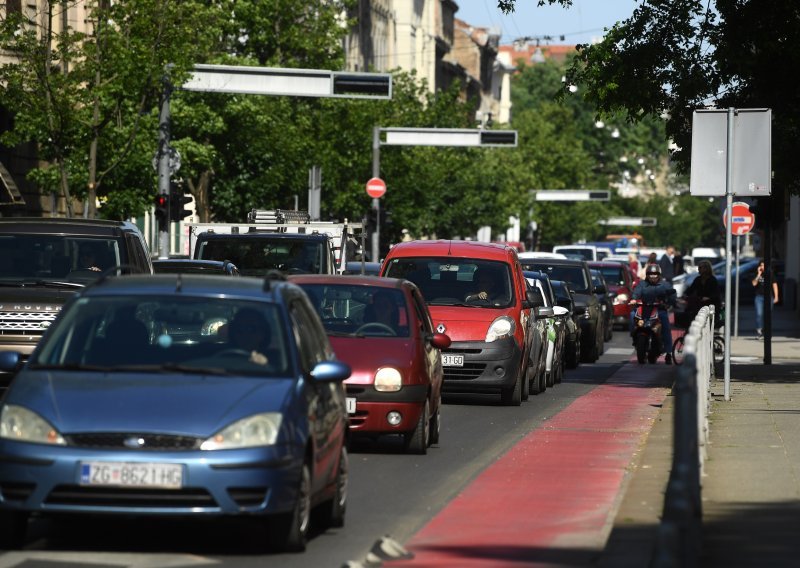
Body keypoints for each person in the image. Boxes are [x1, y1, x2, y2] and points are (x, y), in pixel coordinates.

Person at [630, 263, 677, 364]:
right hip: (644, 309)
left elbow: (672, 295)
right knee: (632, 315)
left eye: (655, 274)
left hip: (659, 309)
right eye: (650, 274)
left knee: (665, 325)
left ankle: (669, 353)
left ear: (659, 275)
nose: (653, 276)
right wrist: (634, 299)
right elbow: (637, 292)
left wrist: (668, 303)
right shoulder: (642, 284)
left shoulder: (665, 284)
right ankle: (634, 336)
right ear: (647, 275)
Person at [683, 260, 721, 326]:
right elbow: (690, 290)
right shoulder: (698, 279)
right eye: (698, 267)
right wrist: (684, 295)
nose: (698, 269)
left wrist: (708, 298)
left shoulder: (713, 280)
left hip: (711, 305)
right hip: (700, 303)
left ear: (706, 269)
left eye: (700, 268)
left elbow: (716, 294)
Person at [751, 260, 779, 339]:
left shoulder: (770, 274)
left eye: (764, 265)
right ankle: (759, 332)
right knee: (759, 314)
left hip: (769, 297)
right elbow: (754, 283)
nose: (763, 267)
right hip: (759, 297)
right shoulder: (757, 274)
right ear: (759, 266)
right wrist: (759, 274)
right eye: (761, 265)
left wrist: (776, 296)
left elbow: (774, 285)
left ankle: (767, 332)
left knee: (768, 315)